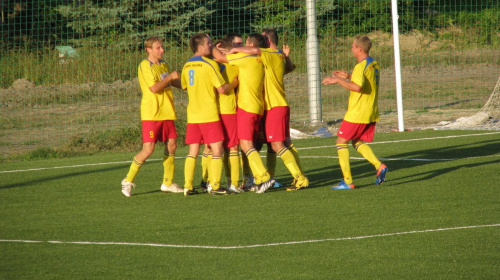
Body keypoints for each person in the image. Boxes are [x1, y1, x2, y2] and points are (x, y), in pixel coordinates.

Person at [225, 29, 309, 192]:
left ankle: (299, 177)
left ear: (267, 41)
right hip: (278, 105)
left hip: (273, 106)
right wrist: (286, 56)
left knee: (277, 145)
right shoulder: (277, 55)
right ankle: (279, 176)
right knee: (280, 143)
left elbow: (254, 50)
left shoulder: (266, 54)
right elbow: (290, 68)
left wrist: (235, 49)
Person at [321, 35, 388, 189]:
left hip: (358, 112)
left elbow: (357, 87)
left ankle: (348, 181)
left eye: (352, 46)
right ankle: (379, 166)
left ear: (359, 49)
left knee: (340, 142)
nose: (351, 49)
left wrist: (338, 80)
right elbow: (364, 81)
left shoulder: (360, 66)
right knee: (357, 141)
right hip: (370, 110)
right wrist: (348, 76)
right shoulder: (373, 63)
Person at [212, 33, 275, 194]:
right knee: (248, 145)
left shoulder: (245, 59)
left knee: (245, 145)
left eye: (243, 45)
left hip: (247, 107)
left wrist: (209, 45)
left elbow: (221, 58)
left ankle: (263, 177)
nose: (240, 48)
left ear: (250, 46)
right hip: (257, 107)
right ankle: (255, 179)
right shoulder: (262, 59)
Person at [121, 36, 183, 197]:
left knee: (172, 145)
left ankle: (167, 183)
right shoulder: (144, 66)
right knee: (148, 149)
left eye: (162, 47)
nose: (162, 50)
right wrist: (170, 77)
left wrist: (191, 85)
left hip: (167, 112)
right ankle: (127, 181)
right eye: (158, 48)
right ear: (149, 49)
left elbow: (172, 83)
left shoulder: (163, 65)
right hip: (152, 113)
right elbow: (154, 88)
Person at [181, 33, 239, 196]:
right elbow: (221, 89)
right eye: (208, 44)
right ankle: (215, 186)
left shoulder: (186, 66)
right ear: (200, 47)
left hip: (193, 115)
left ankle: (188, 186)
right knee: (217, 148)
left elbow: (184, 86)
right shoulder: (209, 65)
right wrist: (234, 83)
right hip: (208, 114)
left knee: (193, 151)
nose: (211, 46)